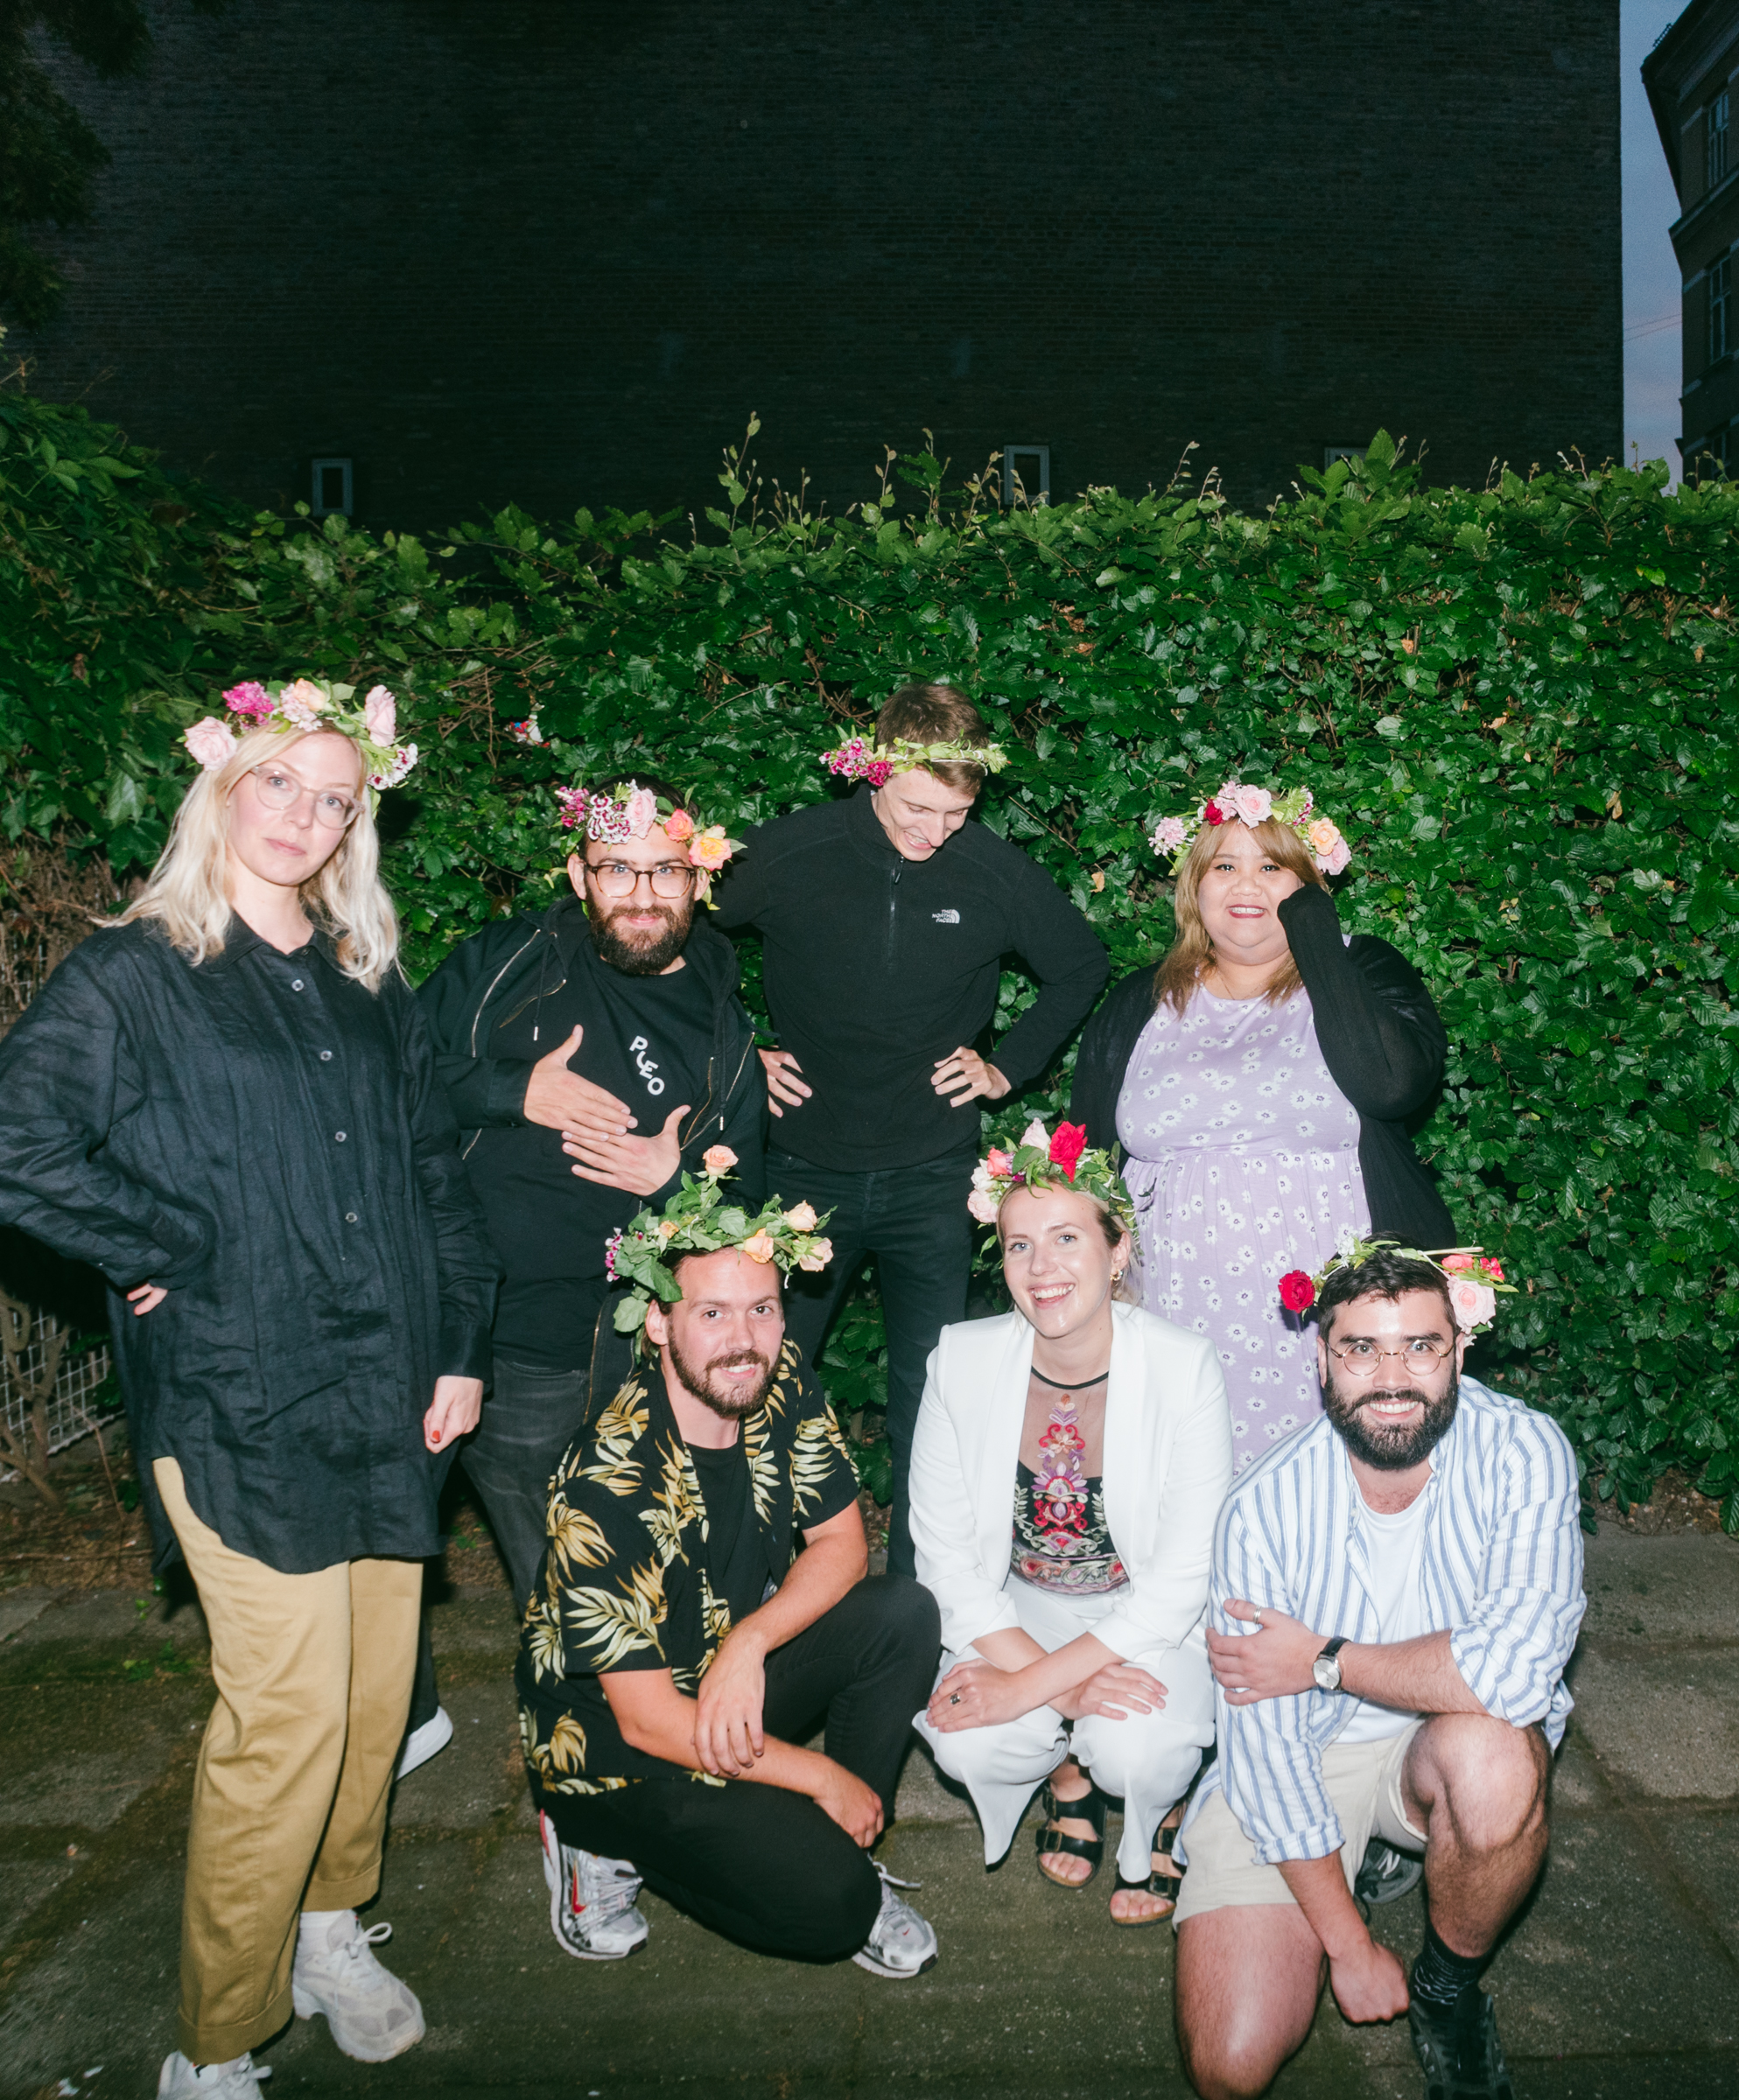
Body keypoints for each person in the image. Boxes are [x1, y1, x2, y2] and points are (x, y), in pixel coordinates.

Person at [0, 680, 499, 2100]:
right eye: (280, 781)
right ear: (222, 785)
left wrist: (460, 1345)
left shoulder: (364, 975)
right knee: (285, 1720)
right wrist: (158, 1243)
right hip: (240, 1395)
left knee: (373, 1699)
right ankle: (216, 2044)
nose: (304, 815)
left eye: (335, 798)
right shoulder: (131, 973)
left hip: (390, 1389)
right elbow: (18, 1140)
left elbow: (432, 1172)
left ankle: (330, 1926)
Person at [1172, 1240, 1584, 2100]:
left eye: (1419, 1346)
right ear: (1321, 1360)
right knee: (1228, 2066)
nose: (1391, 1378)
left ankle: (1446, 1989)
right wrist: (1349, 1947)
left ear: (1458, 1351)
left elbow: (1514, 1678)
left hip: (1442, 1740)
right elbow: (1266, 1756)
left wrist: (1322, 1659)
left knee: (1497, 1759)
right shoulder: (1261, 1508)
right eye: (1360, 1348)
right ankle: (1358, 1869)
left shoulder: (1524, 1450)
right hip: (1307, 1754)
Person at [716, 683, 1108, 1576]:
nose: (934, 833)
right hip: (803, 1169)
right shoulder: (794, 850)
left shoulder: (991, 872)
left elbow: (1079, 964)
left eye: (956, 814)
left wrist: (1007, 1066)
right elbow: (685, 928)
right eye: (916, 809)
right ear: (873, 772)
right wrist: (738, 1051)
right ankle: (752, 1579)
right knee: (765, 1377)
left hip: (931, 1173)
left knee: (930, 1393)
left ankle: (921, 1597)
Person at [517, 1157, 943, 1974]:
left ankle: (842, 1840)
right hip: (619, 1752)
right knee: (830, 1912)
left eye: (761, 1310)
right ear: (656, 1321)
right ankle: (592, 1846)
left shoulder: (776, 1384)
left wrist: (749, 1643)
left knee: (901, 1613)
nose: (742, 1341)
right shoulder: (605, 1483)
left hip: (722, 1673)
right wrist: (818, 1774)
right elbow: (648, 1722)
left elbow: (842, 1545)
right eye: (710, 1313)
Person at [417, 776, 764, 1611]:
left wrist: (670, 1181)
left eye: (665, 871)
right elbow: (387, 1082)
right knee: (555, 1595)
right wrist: (512, 1091)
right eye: (617, 870)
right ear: (580, 876)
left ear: (699, 878)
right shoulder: (503, 965)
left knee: (648, 1582)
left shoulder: (724, 1027)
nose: (642, 895)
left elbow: (750, 1212)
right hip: (501, 1349)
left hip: (643, 1356)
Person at [1069, 779, 1453, 1479]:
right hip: (1172, 1309)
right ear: (1194, 886)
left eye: (1271, 866)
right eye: (1224, 865)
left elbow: (1390, 1086)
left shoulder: (1359, 968)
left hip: (1331, 1311)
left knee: (1329, 1489)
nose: (1245, 884)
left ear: (1308, 885)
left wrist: (1312, 932)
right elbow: (1084, 1162)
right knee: (1186, 1489)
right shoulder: (1140, 999)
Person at [911, 1119, 1231, 1924]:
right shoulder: (959, 1360)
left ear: (1117, 1252)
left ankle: (1159, 1804)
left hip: (1145, 1616)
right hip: (1021, 1607)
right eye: (1018, 1245)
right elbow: (944, 1561)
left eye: (1065, 1238)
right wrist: (1069, 1684)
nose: (1040, 1267)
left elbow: (1179, 1584)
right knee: (963, 1736)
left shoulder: (1183, 1367)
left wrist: (1028, 1689)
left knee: (1140, 1749)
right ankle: (1065, 1777)